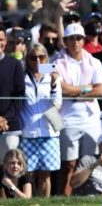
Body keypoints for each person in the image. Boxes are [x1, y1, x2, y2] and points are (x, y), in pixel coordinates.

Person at [55, 23, 102, 195]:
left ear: (84, 40)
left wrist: (74, 91)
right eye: (72, 39)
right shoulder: (56, 61)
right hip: (67, 118)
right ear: (65, 41)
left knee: (89, 161)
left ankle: (86, 195)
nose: (75, 42)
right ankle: (65, 198)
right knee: (68, 163)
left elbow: (101, 90)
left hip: (90, 119)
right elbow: (62, 89)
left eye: (79, 38)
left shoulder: (95, 61)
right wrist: (85, 89)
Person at [19, 44, 62, 197]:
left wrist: (53, 84)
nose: (37, 60)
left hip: (48, 132)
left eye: (41, 57)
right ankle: (29, 205)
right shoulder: (22, 76)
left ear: (46, 58)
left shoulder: (52, 73)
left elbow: (57, 102)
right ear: (27, 59)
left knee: (45, 174)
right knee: (28, 174)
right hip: (27, 132)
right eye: (33, 57)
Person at [0, 25, 25, 164]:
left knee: (9, 171)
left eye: (2, 39)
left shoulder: (15, 65)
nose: (0, 43)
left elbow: (19, 98)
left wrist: (4, 119)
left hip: (10, 127)